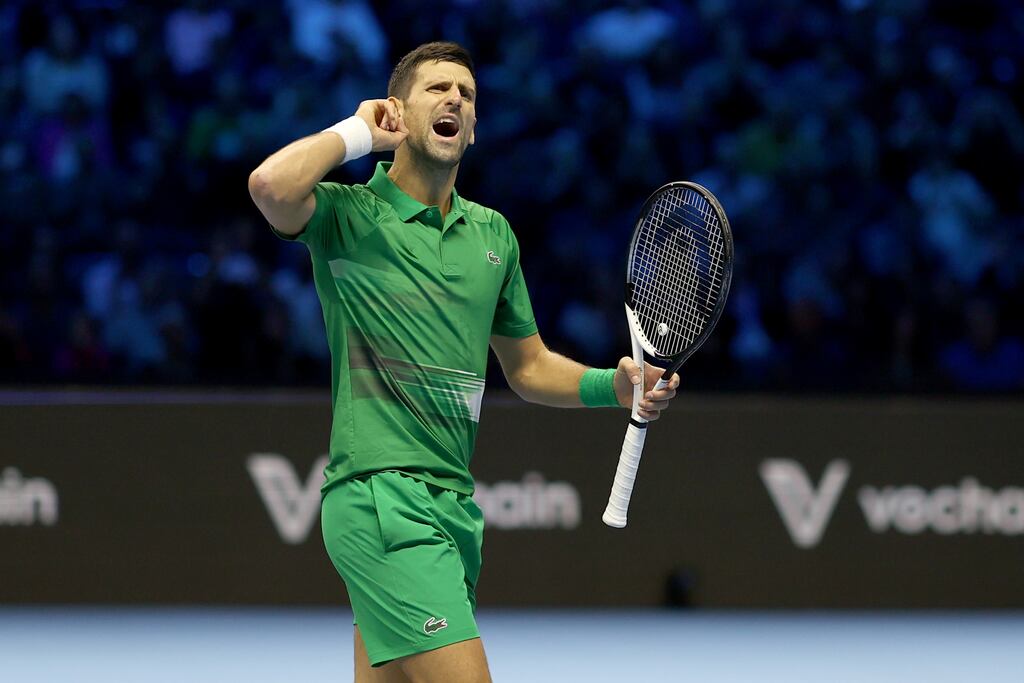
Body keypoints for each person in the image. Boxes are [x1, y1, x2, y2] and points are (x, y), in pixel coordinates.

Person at [248, 41, 680, 683]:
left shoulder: (493, 236)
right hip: (382, 498)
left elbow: (528, 367)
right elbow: (270, 185)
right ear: (397, 111)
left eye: (468, 95)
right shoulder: (346, 216)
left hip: (453, 507)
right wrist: (357, 132)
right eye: (437, 89)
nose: (455, 99)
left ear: (473, 129)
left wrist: (612, 386)